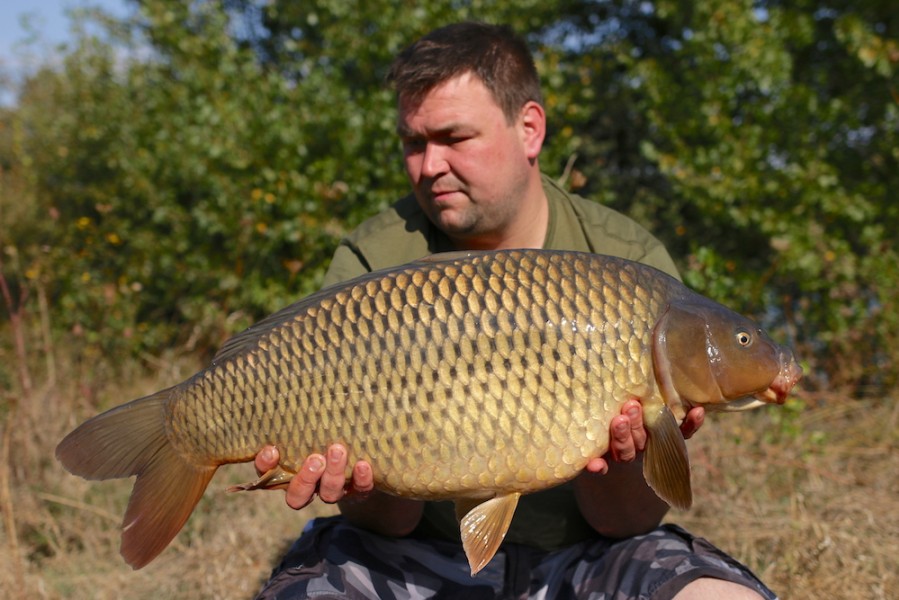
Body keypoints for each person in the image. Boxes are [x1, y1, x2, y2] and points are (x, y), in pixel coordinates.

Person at [254, 22, 776, 600]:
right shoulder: (374, 260)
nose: (428, 166)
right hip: (411, 554)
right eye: (413, 143)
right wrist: (357, 485)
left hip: (584, 554)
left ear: (529, 129)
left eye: (454, 138)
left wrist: (630, 459)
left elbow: (624, 523)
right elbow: (386, 522)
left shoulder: (627, 263)